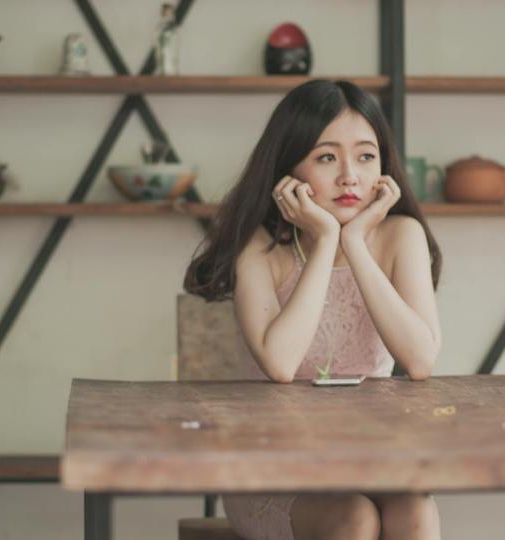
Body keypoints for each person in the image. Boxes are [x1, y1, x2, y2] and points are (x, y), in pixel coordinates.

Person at [183, 79, 443, 540]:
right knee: (353, 520)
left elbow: (421, 359)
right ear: (289, 169)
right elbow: (281, 364)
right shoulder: (258, 246)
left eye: (366, 156)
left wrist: (355, 242)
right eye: (327, 158)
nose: (350, 176)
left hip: (369, 455)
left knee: (415, 510)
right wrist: (325, 241)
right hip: (271, 465)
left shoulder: (401, 236)